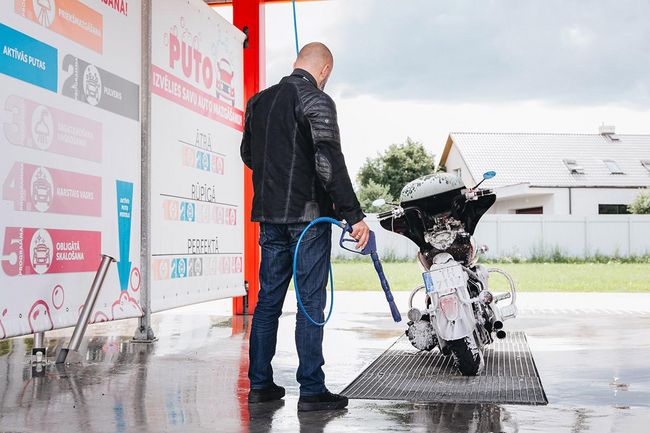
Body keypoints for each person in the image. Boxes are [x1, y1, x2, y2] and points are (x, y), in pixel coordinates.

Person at [241, 42, 370, 412]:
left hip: (269, 219)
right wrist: (353, 215)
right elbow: (328, 162)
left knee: (267, 303)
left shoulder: (259, 102)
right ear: (325, 69)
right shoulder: (317, 100)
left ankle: (260, 386)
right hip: (308, 221)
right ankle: (312, 390)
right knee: (311, 304)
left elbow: (249, 155)